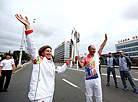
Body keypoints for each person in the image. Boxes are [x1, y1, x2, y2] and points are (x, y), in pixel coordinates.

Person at [15, 14, 73, 102]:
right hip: (40, 95)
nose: (49, 53)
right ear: (42, 52)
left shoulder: (51, 64)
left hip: (49, 93)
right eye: (47, 51)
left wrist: (67, 62)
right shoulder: (38, 60)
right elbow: (32, 47)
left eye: (50, 51)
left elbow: (60, 70)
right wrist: (28, 27)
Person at [75, 34, 107, 102]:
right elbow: (81, 65)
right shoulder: (85, 58)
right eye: (92, 49)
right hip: (88, 80)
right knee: (88, 96)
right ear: (88, 49)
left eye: (94, 49)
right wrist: (78, 60)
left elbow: (102, 46)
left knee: (99, 95)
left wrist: (105, 40)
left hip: (97, 79)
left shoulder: (97, 55)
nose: (94, 50)